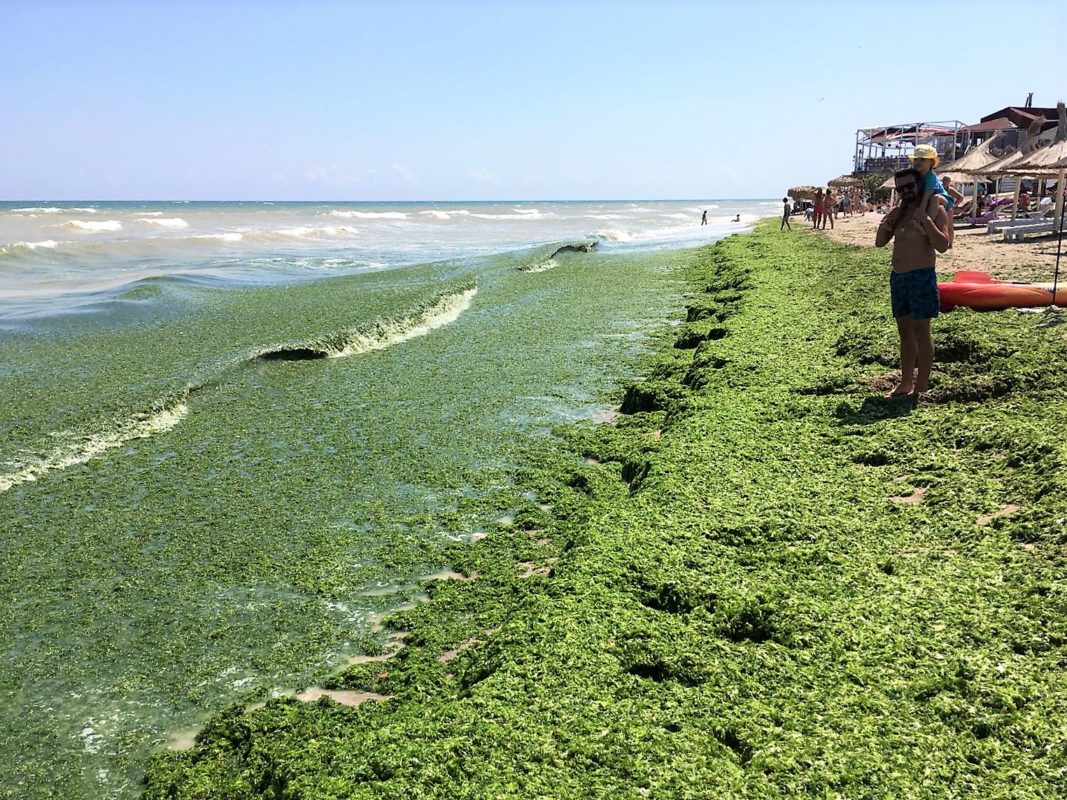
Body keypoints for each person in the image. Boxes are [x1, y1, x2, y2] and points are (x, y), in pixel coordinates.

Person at [875, 167, 951, 404]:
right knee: (904, 333)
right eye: (901, 188)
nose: (906, 191)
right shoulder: (900, 213)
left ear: (920, 185)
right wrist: (886, 224)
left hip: (921, 277)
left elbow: (943, 244)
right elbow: (879, 243)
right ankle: (906, 382)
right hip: (899, 279)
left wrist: (926, 221)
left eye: (910, 186)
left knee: (921, 331)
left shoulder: (934, 209)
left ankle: (922, 385)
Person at [909, 144, 954, 246]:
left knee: (935, 199)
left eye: (922, 159)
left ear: (931, 162)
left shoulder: (930, 177)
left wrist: (921, 214)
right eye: (916, 159)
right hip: (932, 200)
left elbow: (926, 197)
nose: (918, 162)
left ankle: (927, 226)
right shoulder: (915, 177)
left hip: (945, 199)